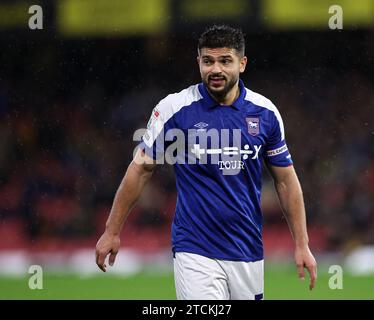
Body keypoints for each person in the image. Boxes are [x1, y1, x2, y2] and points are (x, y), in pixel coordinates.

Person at [95, 25, 317, 300]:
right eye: (208, 61)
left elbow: (285, 180)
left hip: (247, 249)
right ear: (198, 62)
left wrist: (302, 244)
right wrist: (112, 231)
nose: (216, 70)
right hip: (194, 248)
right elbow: (140, 169)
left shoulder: (265, 113)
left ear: (242, 63)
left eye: (225, 61)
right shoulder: (174, 109)